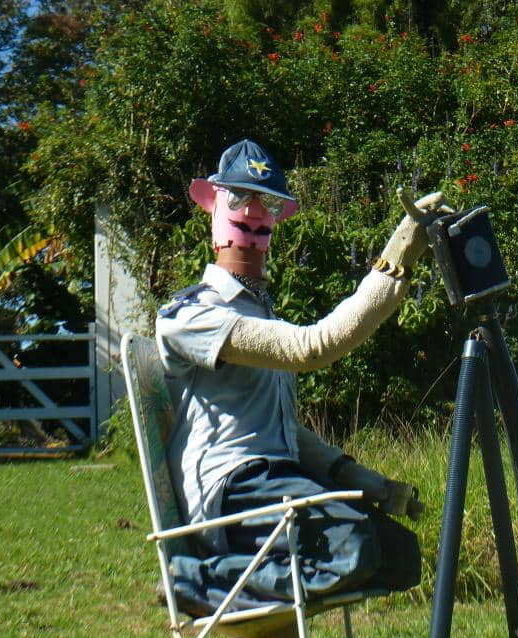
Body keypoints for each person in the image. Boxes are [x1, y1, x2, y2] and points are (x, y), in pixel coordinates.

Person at [155, 139, 447, 611]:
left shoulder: (262, 314)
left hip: (278, 479)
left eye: (267, 201)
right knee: (350, 543)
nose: (253, 212)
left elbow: (286, 431)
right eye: (238, 197)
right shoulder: (192, 315)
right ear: (212, 205)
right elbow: (310, 349)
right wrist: (393, 265)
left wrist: (363, 479)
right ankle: (196, 580)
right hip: (233, 489)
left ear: (277, 219)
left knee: (399, 555)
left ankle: (260, 615)